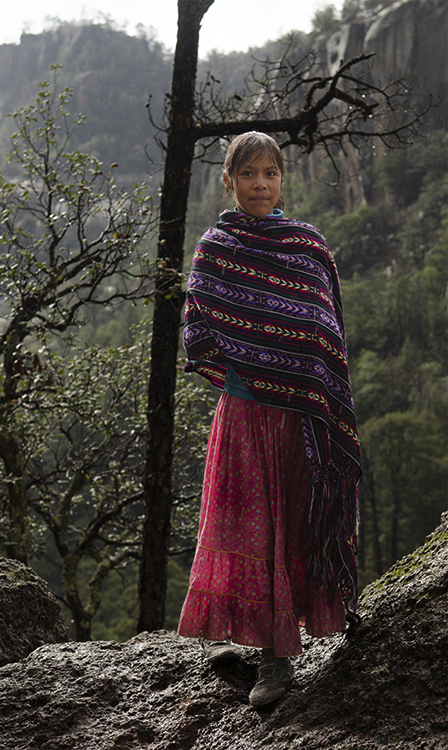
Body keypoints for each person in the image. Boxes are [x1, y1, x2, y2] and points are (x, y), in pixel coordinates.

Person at [177, 131, 361, 708]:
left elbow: (325, 329)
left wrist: (302, 372)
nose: (261, 184)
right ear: (227, 180)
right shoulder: (216, 248)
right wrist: (260, 356)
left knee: (295, 520)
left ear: (283, 180)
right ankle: (265, 651)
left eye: (271, 173)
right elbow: (203, 332)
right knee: (250, 522)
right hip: (246, 410)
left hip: (301, 415)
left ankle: (282, 650)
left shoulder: (307, 246)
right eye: (249, 174)